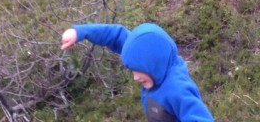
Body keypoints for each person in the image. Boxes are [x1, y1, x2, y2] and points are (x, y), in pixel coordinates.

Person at [61, 23, 214, 122]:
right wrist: (80, 32)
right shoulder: (149, 54)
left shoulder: (178, 89)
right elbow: (116, 35)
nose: (135, 78)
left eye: (139, 71)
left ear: (153, 64)